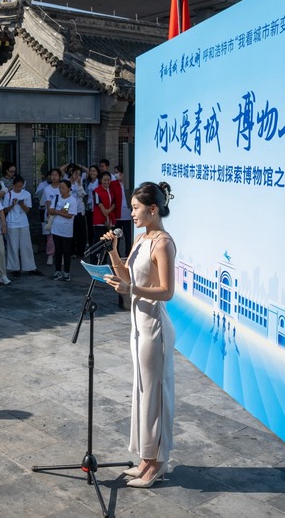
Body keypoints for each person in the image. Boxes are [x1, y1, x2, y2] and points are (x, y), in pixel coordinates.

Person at [103, 182, 176, 488]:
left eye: (135, 208)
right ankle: (146, 458)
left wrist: (131, 288)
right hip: (138, 325)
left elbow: (167, 291)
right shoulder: (140, 238)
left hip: (154, 328)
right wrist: (113, 253)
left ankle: (158, 463)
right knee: (142, 392)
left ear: (153, 209)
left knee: (155, 395)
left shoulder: (163, 243)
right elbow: (126, 275)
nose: (131, 213)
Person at [3, 175, 39, 276]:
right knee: (13, 245)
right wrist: (13, 204)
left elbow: (28, 210)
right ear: (13, 185)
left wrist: (22, 205)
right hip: (12, 223)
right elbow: (5, 210)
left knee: (26, 245)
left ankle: (30, 267)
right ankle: (14, 268)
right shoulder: (8, 195)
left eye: (21, 186)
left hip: (23, 222)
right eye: (17, 186)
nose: (19, 188)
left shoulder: (26, 194)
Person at [49, 180, 78, 281]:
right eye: (60, 187)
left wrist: (57, 212)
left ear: (69, 189)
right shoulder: (57, 198)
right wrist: (58, 212)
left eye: (63, 188)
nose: (61, 189)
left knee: (66, 252)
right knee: (58, 251)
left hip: (66, 230)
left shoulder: (72, 200)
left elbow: (69, 215)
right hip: (56, 229)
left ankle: (66, 272)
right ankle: (57, 271)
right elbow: (51, 210)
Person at [41, 168, 63, 266]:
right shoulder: (47, 189)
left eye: (56, 175)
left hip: (61, 214)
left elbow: (67, 201)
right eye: (52, 175)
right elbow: (47, 202)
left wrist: (64, 212)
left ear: (60, 177)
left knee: (61, 236)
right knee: (50, 236)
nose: (54, 177)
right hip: (50, 214)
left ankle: (61, 256)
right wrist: (50, 212)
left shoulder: (63, 187)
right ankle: (50, 255)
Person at [92, 171, 122, 241]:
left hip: (109, 219)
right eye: (105, 180)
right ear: (101, 180)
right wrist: (107, 216)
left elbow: (114, 203)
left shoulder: (111, 190)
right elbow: (100, 205)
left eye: (108, 180)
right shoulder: (97, 191)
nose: (107, 182)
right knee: (100, 241)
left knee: (109, 241)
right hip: (100, 220)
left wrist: (109, 211)